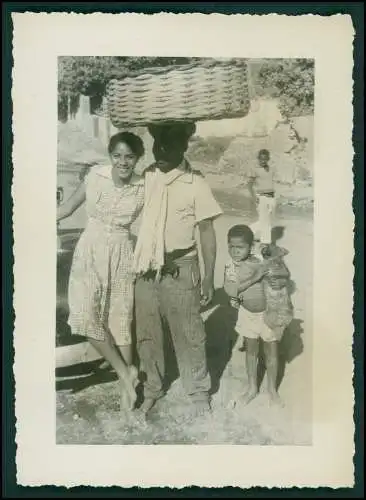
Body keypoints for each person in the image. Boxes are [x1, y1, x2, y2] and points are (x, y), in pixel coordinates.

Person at [133, 122, 223, 418]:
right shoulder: (147, 176)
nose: (160, 151)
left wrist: (209, 277)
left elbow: (207, 232)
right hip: (147, 265)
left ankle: (198, 391)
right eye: (157, 144)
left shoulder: (195, 182)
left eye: (168, 145)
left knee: (189, 331)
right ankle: (152, 389)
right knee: (147, 332)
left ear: (184, 147)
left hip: (181, 267)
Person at [57, 131, 145, 412]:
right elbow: (67, 208)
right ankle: (125, 371)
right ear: (110, 156)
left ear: (137, 158)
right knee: (84, 315)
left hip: (122, 251)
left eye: (129, 157)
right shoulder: (95, 177)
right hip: (90, 249)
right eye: (117, 155)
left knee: (120, 315)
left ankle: (126, 386)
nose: (123, 162)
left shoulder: (143, 186)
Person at [223, 224, 285, 407]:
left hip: (269, 313)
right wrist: (254, 279)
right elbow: (230, 289)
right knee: (251, 350)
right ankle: (252, 387)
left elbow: (280, 278)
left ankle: (272, 389)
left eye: (239, 247)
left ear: (250, 247)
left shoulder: (260, 260)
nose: (234, 251)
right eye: (231, 247)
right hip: (247, 314)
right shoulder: (230, 266)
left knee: (271, 350)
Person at [248, 149, 276, 248]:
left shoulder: (271, 169)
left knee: (266, 220)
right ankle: (265, 242)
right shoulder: (255, 169)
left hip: (271, 197)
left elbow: (271, 183)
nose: (263, 161)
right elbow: (249, 184)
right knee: (265, 221)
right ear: (258, 159)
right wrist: (254, 197)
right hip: (261, 197)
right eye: (261, 159)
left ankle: (248, 230)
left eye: (265, 159)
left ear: (268, 159)